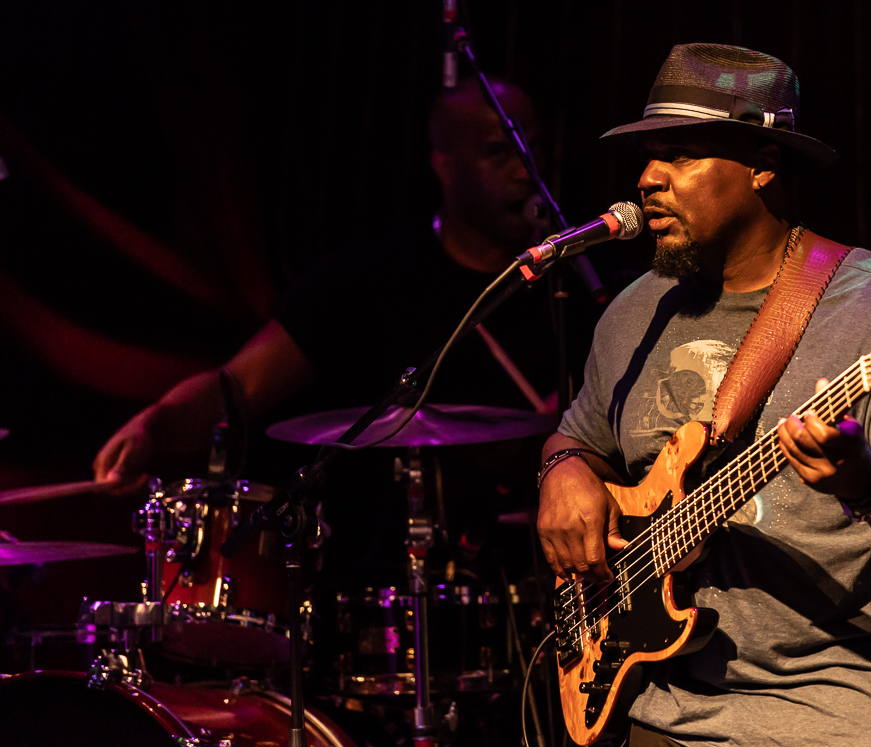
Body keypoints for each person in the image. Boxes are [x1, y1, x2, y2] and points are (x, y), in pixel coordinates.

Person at [536, 44, 871, 747]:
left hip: (840, 725)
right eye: (648, 158)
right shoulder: (633, 314)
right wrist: (563, 470)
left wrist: (869, 482)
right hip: (669, 724)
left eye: (679, 155)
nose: (648, 179)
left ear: (763, 164)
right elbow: (575, 436)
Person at [93, 76, 581, 492]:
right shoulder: (366, 281)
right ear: (445, 167)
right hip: (392, 570)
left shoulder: (574, 282)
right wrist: (154, 425)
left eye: (531, 148)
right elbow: (239, 387)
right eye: (499, 152)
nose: (525, 170)